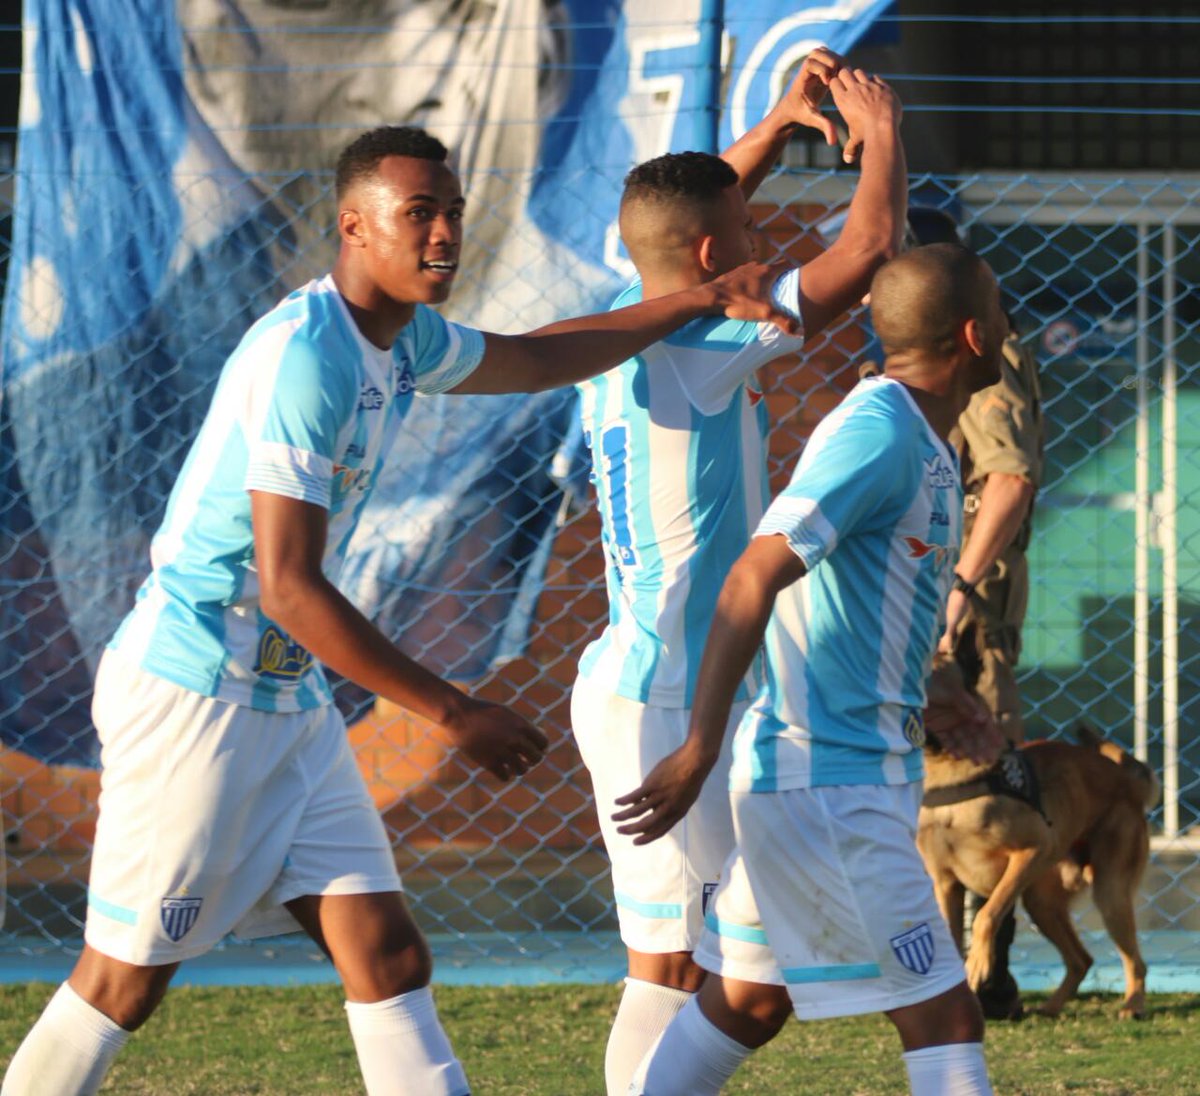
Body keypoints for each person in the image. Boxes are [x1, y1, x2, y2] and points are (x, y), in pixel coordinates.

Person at [0, 125, 797, 1096]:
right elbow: (288, 583)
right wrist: (454, 712)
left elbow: (540, 361)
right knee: (121, 982)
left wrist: (706, 297)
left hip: (286, 703)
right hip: (197, 694)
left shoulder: (403, 337)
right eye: (418, 214)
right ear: (353, 227)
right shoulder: (307, 358)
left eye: (453, 212)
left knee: (386, 957)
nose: (444, 234)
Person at [569, 51, 907, 1095]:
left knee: (693, 962)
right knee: (673, 969)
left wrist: (769, 127)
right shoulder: (703, 342)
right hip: (664, 699)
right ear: (714, 254)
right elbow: (868, 252)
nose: (763, 255)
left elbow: (686, 216)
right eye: (751, 242)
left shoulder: (631, 309)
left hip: (641, 676)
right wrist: (883, 132)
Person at [614, 243, 1010, 1095]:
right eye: (1005, 315)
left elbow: (857, 602)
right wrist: (697, 746)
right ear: (977, 335)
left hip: (833, 776)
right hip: (828, 782)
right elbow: (757, 572)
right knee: (945, 1015)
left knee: (750, 1003)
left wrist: (938, 695)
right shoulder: (878, 433)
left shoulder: (926, 444)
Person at [902, 205, 1045, 1020]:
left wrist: (957, 590)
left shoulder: (978, 354)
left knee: (990, 785)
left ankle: (990, 976)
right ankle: (938, 971)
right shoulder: (915, 355)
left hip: (963, 620)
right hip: (920, 602)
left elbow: (1009, 478)